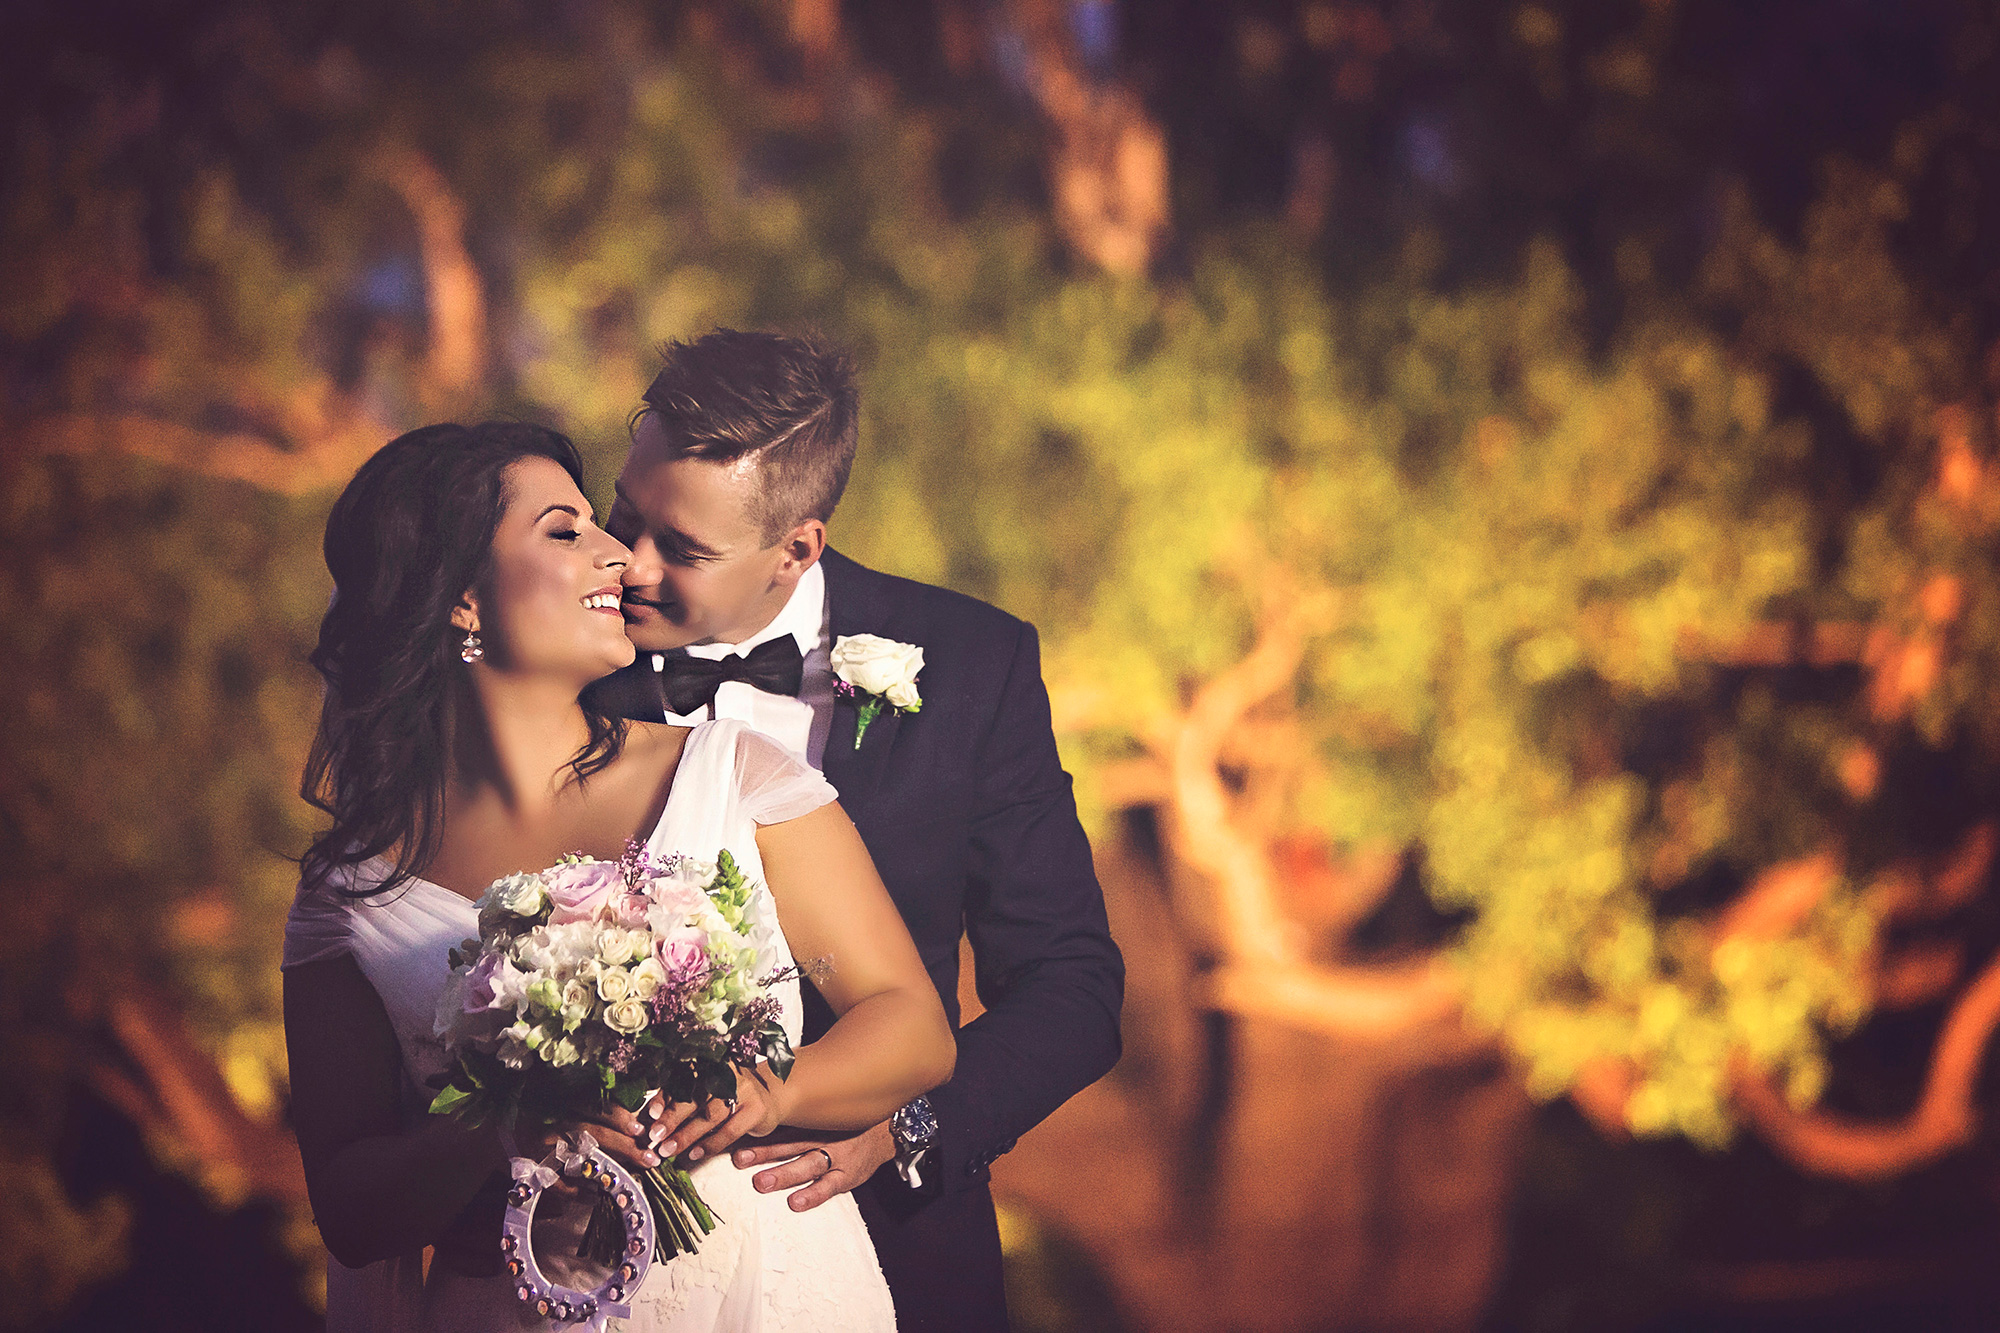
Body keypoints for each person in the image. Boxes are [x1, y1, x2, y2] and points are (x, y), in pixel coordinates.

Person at [281, 420, 956, 1331]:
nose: (621, 559)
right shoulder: (352, 897)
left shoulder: (732, 776)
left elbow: (912, 1024)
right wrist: (494, 1130)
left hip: (768, 1297)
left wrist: (774, 1090)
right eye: (566, 531)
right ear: (460, 599)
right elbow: (351, 1209)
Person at [585, 330, 1125, 1332]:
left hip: (894, 1248)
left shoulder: (974, 664)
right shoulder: (559, 670)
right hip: (618, 1264)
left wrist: (906, 1128)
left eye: (684, 549)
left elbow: (1071, 985)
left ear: (797, 548)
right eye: (622, 517)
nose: (629, 565)